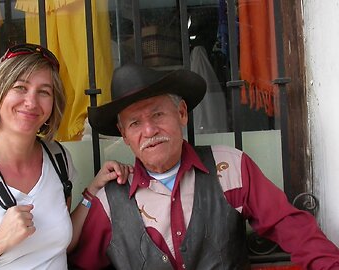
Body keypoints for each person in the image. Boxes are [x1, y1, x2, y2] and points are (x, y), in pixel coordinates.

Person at [68, 63, 339, 269]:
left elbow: (291, 227)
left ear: (182, 113)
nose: (149, 130)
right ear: (124, 134)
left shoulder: (230, 168)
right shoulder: (109, 200)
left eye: (158, 114)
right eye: (135, 123)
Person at [0, 43, 131, 270]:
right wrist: (0, 239)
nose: (31, 102)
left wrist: (93, 191)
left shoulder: (58, 159)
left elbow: (58, 245)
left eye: (44, 92)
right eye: (20, 87)